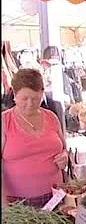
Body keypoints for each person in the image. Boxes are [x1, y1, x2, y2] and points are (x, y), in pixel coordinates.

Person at [1, 68, 68, 208]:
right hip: (17, 204)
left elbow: (64, 149)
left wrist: (64, 157)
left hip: (55, 198)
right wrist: (4, 205)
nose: (30, 103)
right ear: (14, 94)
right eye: (25, 98)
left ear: (42, 94)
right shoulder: (4, 121)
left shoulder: (51, 117)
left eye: (35, 98)